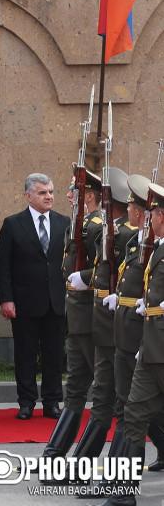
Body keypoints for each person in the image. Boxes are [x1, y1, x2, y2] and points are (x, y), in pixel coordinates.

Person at [98, 181, 164, 506]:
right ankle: (123, 492)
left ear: (160, 216)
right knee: (134, 413)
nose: (147, 219)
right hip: (150, 347)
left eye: (151, 214)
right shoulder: (157, 249)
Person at [70, 167, 133, 462]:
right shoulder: (110, 230)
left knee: (121, 400)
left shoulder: (126, 235)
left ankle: (112, 475)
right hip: (101, 321)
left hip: (119, 327)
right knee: (109, 396)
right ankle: (74, 464)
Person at [0, 173, 68, 421]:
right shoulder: (13, 224)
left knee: (54, 355)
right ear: (28, 195)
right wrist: (6, 299)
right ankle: (26, 402)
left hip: (56, 301)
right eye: (42, 192)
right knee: (25, 355)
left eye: (51, 192)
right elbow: (3, 265)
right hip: (24, 302)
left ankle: (52, 402)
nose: (49, 197)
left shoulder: (64, 222)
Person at [42, 171, 103, 459]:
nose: (68, 196)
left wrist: (86, 278)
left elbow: (107, 269)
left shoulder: (97, 227)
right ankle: (53, 453)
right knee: (76, 386)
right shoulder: (78, 225)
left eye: (74, 191)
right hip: (77, 317)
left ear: (89, 195)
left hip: (92, 319)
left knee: (113, 390)